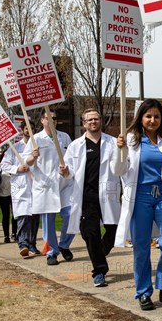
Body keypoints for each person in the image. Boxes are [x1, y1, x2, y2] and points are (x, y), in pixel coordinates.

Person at [115, 99, 162, 311]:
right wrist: (119, 151)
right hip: (140, 198)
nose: (152, 120)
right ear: (141, 118)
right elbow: (117, 171)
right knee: (141, 246)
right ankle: (144, 292)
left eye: (156, 116)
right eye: (148, 116)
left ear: (161, 119)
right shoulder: (129, 140)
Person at [60, 108, 125, 287]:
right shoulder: (75, 145)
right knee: (90, 233)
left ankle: (98, 255)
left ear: (101, 121)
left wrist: (121, 150)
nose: (93, 122)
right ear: (84, 124)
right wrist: (65, 171)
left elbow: (120, 168)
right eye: (89, 120)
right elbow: (69, 170)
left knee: (114, 231)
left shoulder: (113, 143)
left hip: (108, 194)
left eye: (96, 119)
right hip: (86, 195)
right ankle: (99, 271)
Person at [24, 109, 74, 265]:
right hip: (45, 186)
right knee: (48, 221)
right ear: (42, 121)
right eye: (48, 118)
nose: (52, 121)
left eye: (55, 118)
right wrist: (33, 157)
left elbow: (72, 158)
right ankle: (51, 252)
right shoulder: (36, 139)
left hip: (64, 183)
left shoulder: (64, 137)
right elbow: (26, 163)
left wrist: (68, 169)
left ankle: (64, 245)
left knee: (72, 215)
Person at [1, 121, 41, 257]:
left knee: (35, 217)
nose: (29, 131)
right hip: (20, 186)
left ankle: (32, 244)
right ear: (22, 130)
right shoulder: (14, 148)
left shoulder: (37, 147)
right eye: (26, 128)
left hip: (35, 184)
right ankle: (23, 244)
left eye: (31, 128)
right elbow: (4, 165)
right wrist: (17, 169)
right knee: (23, 216)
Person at [0, 153, 13, 243]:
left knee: (16, 215)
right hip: (3, 194)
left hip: (14, 193)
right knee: (6, 215)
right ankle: (6, 235)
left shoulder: (14, 165)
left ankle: (14, 233)